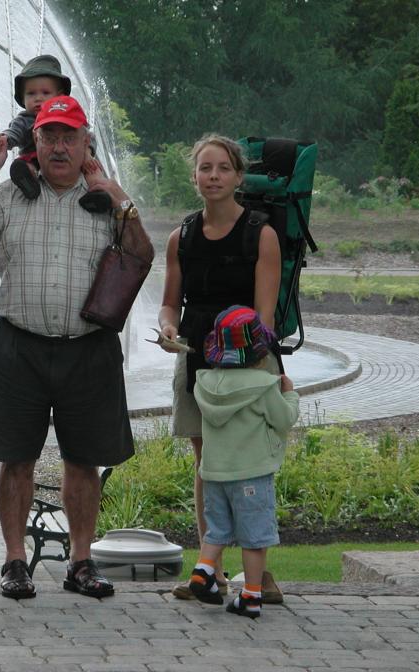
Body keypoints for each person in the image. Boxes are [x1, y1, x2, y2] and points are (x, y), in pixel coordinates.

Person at [0, 95, 155, 599]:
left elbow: (142, 256)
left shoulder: (106, 197)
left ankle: (81, 561)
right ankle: (15, 561)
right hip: (19, 346)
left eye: (69, 137)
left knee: (84, 460)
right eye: (50, 136)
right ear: (35, 142)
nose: (59, 147)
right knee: (15, 458)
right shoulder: (11, 193)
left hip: (89, 348)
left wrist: (118, 197)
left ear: (87, 143)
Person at [156, 133, 285, 603]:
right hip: (195, 364)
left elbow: (264, 319)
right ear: (194, 176)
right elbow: (170, 304)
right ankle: (213, 571)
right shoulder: (182, 236)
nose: (213, 176)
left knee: (250, 467)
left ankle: (259, 576)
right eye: (205, 168)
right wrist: (167, 329)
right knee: (206, 465)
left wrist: (245, 366)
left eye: (223, 169)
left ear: (238, 176)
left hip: (248, 363)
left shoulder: (261, 234)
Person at [181, 305, 299, 618]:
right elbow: (284, 421)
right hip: (252, 475)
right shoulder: (264, 387)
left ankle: (203, 569)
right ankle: (250, 596)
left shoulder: (205, 384)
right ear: (260, 352)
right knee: (255, 537)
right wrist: (290, 395)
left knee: (216, 530)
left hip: (214, 474)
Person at [4, 54, 111, 213]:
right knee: (26, 165)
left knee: (92, 168)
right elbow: (14, 132)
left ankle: (98, 193)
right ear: (23, 97)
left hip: (70, 161)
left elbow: (88, 136)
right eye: (31, 94)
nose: (38, 98)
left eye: (45, 93)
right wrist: (4, 140)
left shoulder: (70, 114)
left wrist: (88, 153)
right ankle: (29, 182)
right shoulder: (25, 119)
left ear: (60, 96)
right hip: (34, 159)